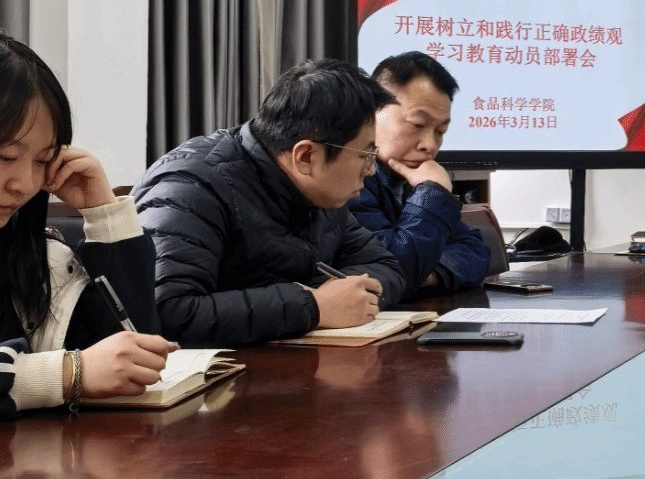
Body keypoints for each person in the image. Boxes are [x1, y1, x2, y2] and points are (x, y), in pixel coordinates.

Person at [134, 60, 406, 347]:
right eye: (365, 155)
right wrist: (313, 306)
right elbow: (167, 313)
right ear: (306, 157)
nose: (371, 170)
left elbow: (384, 266)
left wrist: (340, 297)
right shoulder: (191, 186)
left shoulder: (320, 193)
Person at [0, 32, 175, 416]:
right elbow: (85, 368)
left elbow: (130, 355)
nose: (24, 184)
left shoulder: (33, 253)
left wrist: (105, 214)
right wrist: (66, 373)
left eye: (41, 161)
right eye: (6, 156)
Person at [347, 52, 491, 297]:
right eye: (417, 125)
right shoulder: (347, 179)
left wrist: (425, 274)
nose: (430, 146)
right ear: (372, 112)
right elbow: (394, 269)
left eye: (440, 131)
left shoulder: (415, 179)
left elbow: (476, 251)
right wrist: (433, 194)